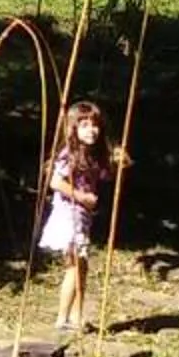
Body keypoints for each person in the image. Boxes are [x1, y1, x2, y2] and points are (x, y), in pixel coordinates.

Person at [38, 100, 121, 332]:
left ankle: (76, 317)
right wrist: (81, 197)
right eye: (83, 125)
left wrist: (118, 162)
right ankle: (62, 319)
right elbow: (55, 182)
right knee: (74, 267)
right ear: (73, 128)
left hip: (82, 218)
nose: (90, 129)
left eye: (94, 124)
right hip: (68, 216)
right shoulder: (69, 154)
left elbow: (106, 175)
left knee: (82, 267)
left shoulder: (92, 155)